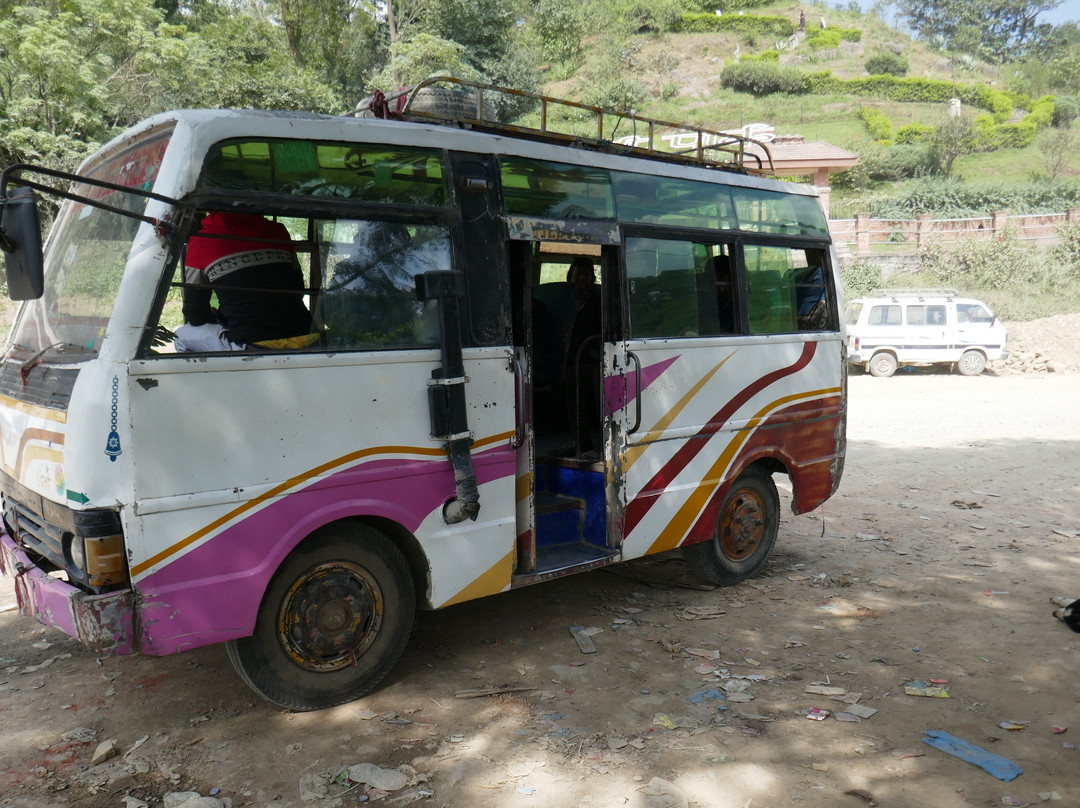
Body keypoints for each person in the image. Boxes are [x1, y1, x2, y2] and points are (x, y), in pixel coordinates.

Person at [174, 212, 315, 352]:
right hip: (307, 334)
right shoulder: (279, 231)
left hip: (252, 342)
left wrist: (217, 317)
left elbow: (194, 314)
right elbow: (298, 288)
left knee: (180, 337)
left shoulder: (201, 241)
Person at [563, 256, 602, 454]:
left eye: (587, 276)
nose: (582, 280)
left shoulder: (597, 303)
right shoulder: (563, 301)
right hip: (566, 356)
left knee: (579, 375)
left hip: (591, 357)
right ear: (570, 277)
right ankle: (580, 439)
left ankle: (602, 437)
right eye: (579, 275)